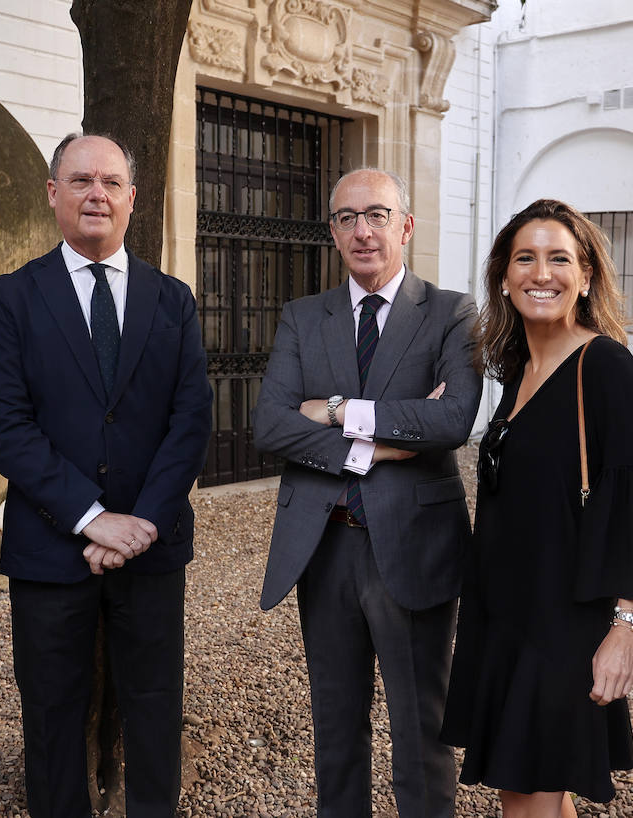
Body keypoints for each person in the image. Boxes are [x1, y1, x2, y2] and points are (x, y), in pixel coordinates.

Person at [0, 133, 212, 817]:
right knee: (52, 714)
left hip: (152, 547)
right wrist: (92, 517)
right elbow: (8, 426)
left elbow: (189, 421)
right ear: (54, 193)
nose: (96, 194)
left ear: (132, 200)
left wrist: (140, 523)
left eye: (111, 182)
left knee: (153, 706)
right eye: (80, 180)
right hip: (52, 550)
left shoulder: (172, 300)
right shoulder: (15, 297)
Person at [439, 199, 633, 816]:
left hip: (561, 619)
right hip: (504, 612)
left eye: (558, 258)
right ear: (503, 275)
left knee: (527, 789)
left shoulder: (608, 370)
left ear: (586, 277)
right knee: (527, 786)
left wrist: (627, 630)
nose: (540, 272)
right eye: (525, 257)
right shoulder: (518, 366)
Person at [252, 167, 482, 818]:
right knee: (335, 734)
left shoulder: (450, 314)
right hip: (323, 550)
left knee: (421, 734)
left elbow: (451, 422)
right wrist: (376, 443)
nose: (363, 231)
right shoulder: (304, 317)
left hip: (412, 549)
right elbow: (269, 423)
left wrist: (333, 412)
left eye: (378, 214)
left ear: (406, 225)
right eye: (347, 218)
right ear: (331, 232)